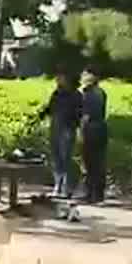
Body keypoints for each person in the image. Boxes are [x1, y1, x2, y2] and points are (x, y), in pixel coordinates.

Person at [40, 70, 83, 200]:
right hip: (55, 128)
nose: (58, 80)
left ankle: (67, 187)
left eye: (60, 77)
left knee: (66, 159)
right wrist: (42, 113)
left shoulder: (76, 95)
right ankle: (57, 185)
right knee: (56, 158)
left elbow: (79, 113)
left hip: (67, 129)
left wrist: (76, 126)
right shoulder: (57, 94)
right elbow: (50, 108)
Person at [79, 69, 110, 204]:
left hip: (91, 130)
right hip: (101, 129)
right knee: (99, 162)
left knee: (90, 162)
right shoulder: (101, 92)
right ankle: (99, 194)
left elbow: (86, 115)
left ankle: (90, 192)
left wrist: (80, 131)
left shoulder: (88, 93)